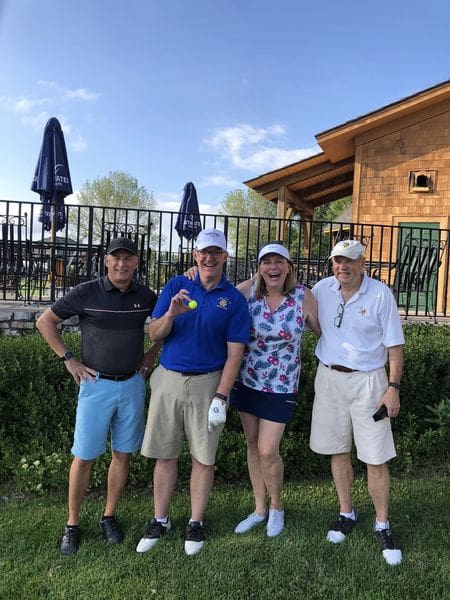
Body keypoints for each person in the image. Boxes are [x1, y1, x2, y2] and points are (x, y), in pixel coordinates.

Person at [36, 238, 159, 556]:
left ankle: (108, 516)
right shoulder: (87, 292)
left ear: (136, 263)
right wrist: (69, 360)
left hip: (131, 384)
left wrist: (151, 355)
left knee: (123, 454)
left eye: (128, 258)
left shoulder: (145, 295)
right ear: (106, 261)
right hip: (96, 385)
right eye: (116, 258)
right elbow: (45, 321)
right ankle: (72, 524)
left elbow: (166, 325)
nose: (122, 264)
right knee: (84, 457)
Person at [137, 228, 250, 556]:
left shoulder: (234, 300)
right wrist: (171, 313)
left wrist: (221, 396)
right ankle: (160, 520)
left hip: (208, 383)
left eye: (216, 252)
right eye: (204, 252)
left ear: (225, 256)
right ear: (195, 255)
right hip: (169, 380)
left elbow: (235, 354)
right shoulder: (176, 286)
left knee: (204, 457)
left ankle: (195, 522)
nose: (209, 258)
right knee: (165, 455)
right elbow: (154, 333)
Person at [309, 239, 404, 566]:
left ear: (363, 263)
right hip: (329, 378)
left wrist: (393, 388)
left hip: (369, 383)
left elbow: (395, 346)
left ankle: (382, 524)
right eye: (338, 260)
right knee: (338, 451)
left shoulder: (380, 294)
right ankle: (346, 513)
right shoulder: (322, 289)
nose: (343, 266)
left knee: (376, 457)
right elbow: (280, 288)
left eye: (349, 260)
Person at [231, 242, 320, 538]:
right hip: (247, 381)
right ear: (259, 267)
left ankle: (277, 507)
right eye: (267, 262)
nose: (273, 267)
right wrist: (193, 275)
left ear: (288, 267)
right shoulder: (246, 293)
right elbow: (215, 295)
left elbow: (325, 334)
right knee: (252, 444)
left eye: (279, 261)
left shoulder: (303, 296)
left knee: (268, 450)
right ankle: (259, 509)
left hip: (282, 385)